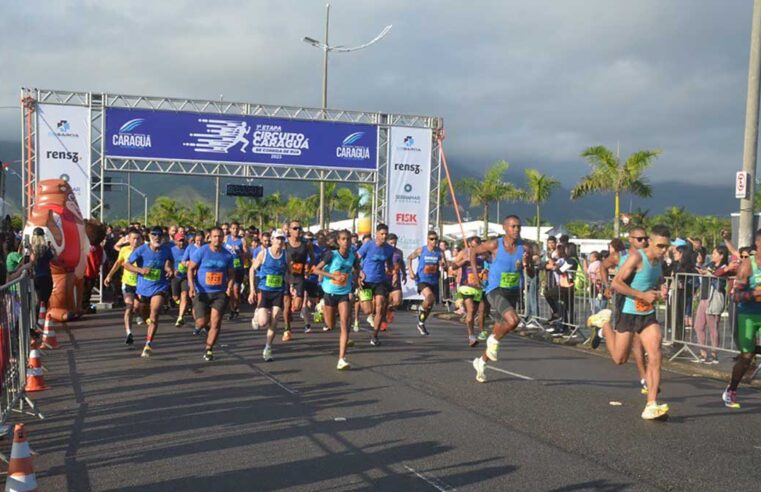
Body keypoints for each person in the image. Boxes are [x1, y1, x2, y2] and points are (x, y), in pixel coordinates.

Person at [606, 224, 671, 420]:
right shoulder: (637, 258)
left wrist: (663, 287)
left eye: (666, 246)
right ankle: (604, 325)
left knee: (655, 355)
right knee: (619, 359)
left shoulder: (659, 261)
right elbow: (616, 283)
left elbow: (657, 278)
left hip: (647, 314)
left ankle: (651, 404)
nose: (664, 250)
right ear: (650, 242)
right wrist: (641, 294)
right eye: (660, 246)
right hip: (628, 313)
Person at [469, 215, 529, 383]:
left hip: (512, 291)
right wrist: (475, 274)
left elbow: (530, 271)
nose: (516, 229)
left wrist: (528, 263)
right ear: (505, 228)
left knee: (500, 329)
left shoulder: (523, 248)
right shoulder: (495, 244)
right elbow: (473, 251)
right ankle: (492, 339)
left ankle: (481, 362)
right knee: (513, 321)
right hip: (495, 290)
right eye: (513, 226)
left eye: (518, 226)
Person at [722, 229, 761, 408]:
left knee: (751, 352)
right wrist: (754, 293)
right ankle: (731, 389)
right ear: (758, 245)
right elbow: (736, 295)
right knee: (746, 357)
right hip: (748, 315)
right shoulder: (748, 265)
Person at [312, 230, 360, 370]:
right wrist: (333, 276)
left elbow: (357, 269)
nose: (346, 242)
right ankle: (321, 307)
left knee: (345, 323)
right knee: (331, 325)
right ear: (338, 241)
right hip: (330, 292)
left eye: (348, 239)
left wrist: (358, 278)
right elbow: (316, 270)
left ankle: (342, 359)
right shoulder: (331, 255)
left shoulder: (353, 256)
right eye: (343, 239)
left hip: (344, 293)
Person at [124, 226, 174, 358]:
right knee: (143, 312)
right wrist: (141, 270)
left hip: (160, 286)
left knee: (155, 312)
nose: (157, 237)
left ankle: (148, 343)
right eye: (154, 234)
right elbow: (126, 264)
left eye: (159, 235)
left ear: (163, 237)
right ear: (149, 236)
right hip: (143, 289)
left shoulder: (166, 250)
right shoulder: (141, 250)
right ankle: (146, 320)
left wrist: (169, 269)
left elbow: (169, 262)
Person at [187, 227, 235, 361]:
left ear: (223, 238)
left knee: (216, 322)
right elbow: (190, 269)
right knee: (201, 322)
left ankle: (209, 349)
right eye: (214, 236)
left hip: (219, 293)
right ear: (210, 237)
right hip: (202, 291)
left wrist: (229, 288)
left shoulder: (227, 255)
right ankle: (202, 325)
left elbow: (231, 274)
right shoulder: (202, 251)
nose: (217, 239)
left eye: (220, 236)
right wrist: (191, 286)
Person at [249, 229, 288, 362]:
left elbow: (289, 272)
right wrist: (252, 289)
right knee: (263, 322)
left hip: (278, 291)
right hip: (265, 291)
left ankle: (268, 347)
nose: (279, 241)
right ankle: (257, 314)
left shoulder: (285, 255)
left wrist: (292, 287)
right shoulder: (264, 253)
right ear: (272, 240)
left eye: (282, 239)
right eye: (277, 238)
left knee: (275, 318)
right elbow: (252, 269)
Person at [357, 223, 396, 346]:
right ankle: (361, 300)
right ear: (377, 234)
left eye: (386, 234)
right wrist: (359, 272)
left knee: (380, 306)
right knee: (368, 310)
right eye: (382, 234)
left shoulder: (389, 249)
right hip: (366, 281)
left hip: (380, 281)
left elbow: (389, 263)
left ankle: (375, 336)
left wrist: (392, 270)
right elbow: (355, 259)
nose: (384, 236)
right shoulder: (368, 245)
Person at [105, 228, 142, 345]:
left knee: (137, 307)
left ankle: (139, 314)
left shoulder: (144, 250)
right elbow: (118, 263)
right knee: (129, 306)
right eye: (134, 238)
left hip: (141, 283)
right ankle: (129, 332)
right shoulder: (124, 250)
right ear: (129, 239)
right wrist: (109, 276)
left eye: (138, 239)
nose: (136, 241)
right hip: (127, 282)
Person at [693, 246, 730, 364]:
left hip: (713, 298)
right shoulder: (710, 265)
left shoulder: (724, 267)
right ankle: (703, 352)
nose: (712, 255)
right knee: (698, 326)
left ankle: (714, 354)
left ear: (721, 255)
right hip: (703, 297)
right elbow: (703, 269)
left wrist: (709, 274)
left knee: (713, 328)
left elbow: (720, 282)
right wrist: (703, 270)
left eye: (715, 253)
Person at [408, 231, 447, 335]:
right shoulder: (422, 250)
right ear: (427, 240)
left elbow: (444, 264)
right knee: (429, 297)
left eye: (436, 239)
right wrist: (411, 272)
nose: (434, 241)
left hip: (433, 280)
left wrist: (443, 264)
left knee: (430, 305)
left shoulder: (440, 252)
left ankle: (421, 323)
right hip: (422, 279)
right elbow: (409, 258)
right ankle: (421, 308)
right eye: (431, 239)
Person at [283, 220, 315, 340]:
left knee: (297, 306)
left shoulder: (306, 244)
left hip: (300, 277)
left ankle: (292, 307)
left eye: (299, 228)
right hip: (287, 276)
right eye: (295, 228)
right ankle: (287, 329)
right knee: (286, 306)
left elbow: (312, 258)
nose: (297, 230)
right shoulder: (285, 244)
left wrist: (308, 268)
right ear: (290, 230)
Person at [452, 236, 486, 347]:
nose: (476, 248)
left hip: (478, 287)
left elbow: (491, 260)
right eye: (474, 246)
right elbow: (453, 266)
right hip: (466, 286)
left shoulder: (483, 254)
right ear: (470, 245)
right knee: (471, 311)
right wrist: (465, 260)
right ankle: (471, 337)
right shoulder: (464, 252)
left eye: (478, 246)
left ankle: (473, 329)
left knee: (475, 312)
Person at [29, 227, 55, 321]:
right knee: (44, 300)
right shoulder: (46, 249)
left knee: (40, 300)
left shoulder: (32, 250)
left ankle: (37, 320)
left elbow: (31, 262)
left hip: (37, 277)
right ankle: (41, 319)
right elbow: (54, 258)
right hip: (47, 276)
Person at [224, 222, 247, 320]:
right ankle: (232, 309)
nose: (235, 230)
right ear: (230, 229)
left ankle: (236, 306)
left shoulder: (242, 240)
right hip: (227, 267)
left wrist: (239, 252)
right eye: (233, 228)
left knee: (236, 290)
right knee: (230, 290)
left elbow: (246, 254)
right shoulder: (226, 238)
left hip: (238, 268)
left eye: (237, 228)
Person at [385, 233, 406, 330]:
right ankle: (382, 317)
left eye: (395, 243)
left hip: (396, 277)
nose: (393, 245)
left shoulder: (399, 252)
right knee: (384, 301)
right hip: (385, 278)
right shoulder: (383, 251)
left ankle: (389, 308)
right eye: (391, 243)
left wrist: (404, 274)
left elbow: (401, 263)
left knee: (397, 301)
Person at [170, 232, 190, 327]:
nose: (181, 243)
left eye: (183, 240)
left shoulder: (188, 249)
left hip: (186, 276)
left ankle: (180, 317)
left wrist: (188, 264)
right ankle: (181, 303)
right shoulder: (172, 250)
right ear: (175, 241)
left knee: (184, 294)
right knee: (175, 297)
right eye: (179, 241)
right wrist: (172, 270)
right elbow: (167, 263)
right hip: (176, 277)